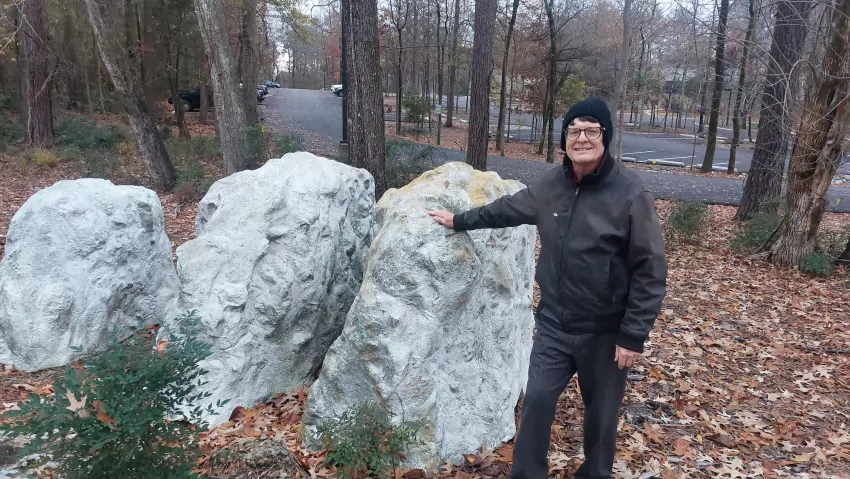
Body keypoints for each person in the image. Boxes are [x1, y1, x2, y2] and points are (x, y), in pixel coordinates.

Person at [427, 97, 667, 479]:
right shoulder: (551, 186)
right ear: (564, 138)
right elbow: (504, 210)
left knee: (601, 419)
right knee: (536, 402)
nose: (582, 138)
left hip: (605, 332)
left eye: (592, 130)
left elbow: (651, 269)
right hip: (554, 325)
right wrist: (459, 221)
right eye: (574, 130)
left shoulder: (631, 195)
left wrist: (633, 334)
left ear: (606, 137)